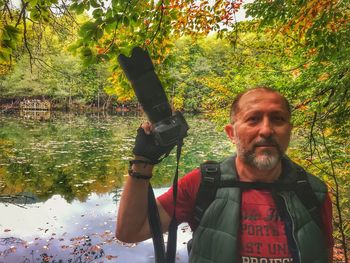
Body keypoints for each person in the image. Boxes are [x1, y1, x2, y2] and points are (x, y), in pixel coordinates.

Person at [116, 87, 334, 263]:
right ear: (231, 133)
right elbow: (131, 231)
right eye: (253, 119)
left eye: (278, 119)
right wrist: (142, 162)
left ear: (289, 130)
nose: (266, 130)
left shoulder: (312, 191)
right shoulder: (204, 184)